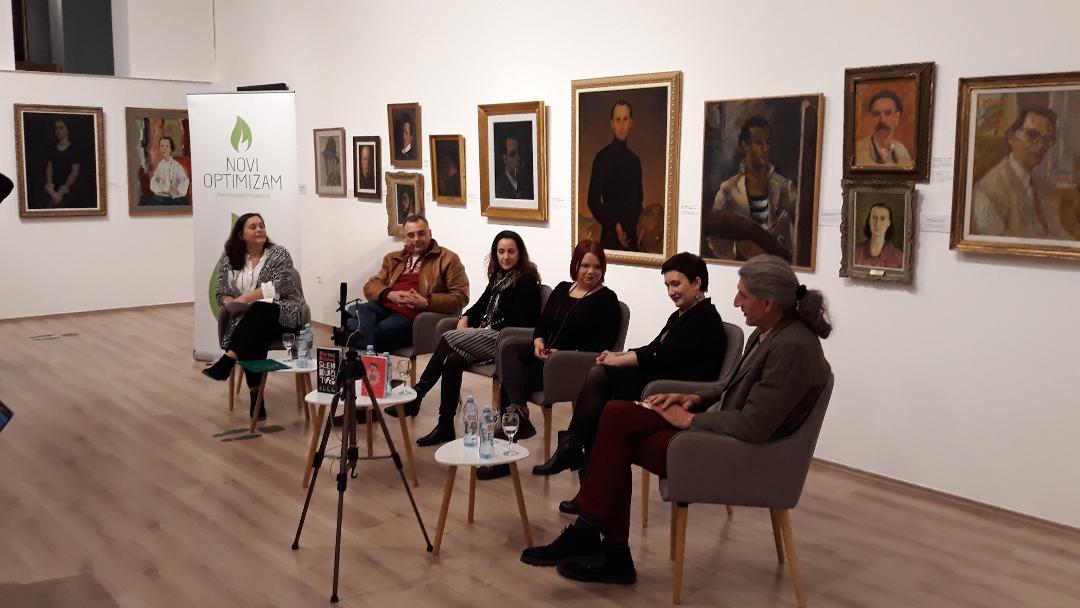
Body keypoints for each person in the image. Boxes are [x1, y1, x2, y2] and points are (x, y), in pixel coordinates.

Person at [520, 254, 832, 585]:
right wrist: (692, 398)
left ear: (768, 302)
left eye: (743, 295)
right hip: (721, 430)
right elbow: (729, 388)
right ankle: (599, 541)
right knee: (614, 416)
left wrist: (690, 420)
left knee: (615, 434)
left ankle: (602, 544)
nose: (735, 302)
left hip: (741, 453)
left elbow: (754, 425)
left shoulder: (792, 347)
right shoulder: (768, 332)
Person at [533, 252, 726, 483]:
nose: (671, 291)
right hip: (660, 379)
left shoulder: (704, 318)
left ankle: (574, 452)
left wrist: (622, 360)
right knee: (598, 402)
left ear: (696, 283)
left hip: (673, 389)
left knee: (600, 380)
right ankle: (578, 459)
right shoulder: (683, 314)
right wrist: (620, 355)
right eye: (667, 286)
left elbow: (664, 355)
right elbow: (655, 347)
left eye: (676, 284)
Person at [477, 240, 622, 480]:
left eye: (597, 267)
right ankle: (517, 415)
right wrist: (538, 341)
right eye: (585, 265)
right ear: (575, 265)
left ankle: (509, 442)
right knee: (509, 348)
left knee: (510, 385)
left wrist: (564, 355)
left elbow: (602, 345)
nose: (590, 271)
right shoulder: (563, 289)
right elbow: (542, 324)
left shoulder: (607, 300)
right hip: (545, 356)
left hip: (569, 367)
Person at [388, 230, 541, 448]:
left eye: (511, 252)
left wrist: (480, 330)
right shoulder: (499, 277)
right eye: (501, 252)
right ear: (495, 254)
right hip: (488, 335)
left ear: (520, 253)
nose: (506, 257)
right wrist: (466, 317)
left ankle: (418, 394)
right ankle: (445, 426)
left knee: (448, 337)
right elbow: (480, 306)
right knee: (452, 360)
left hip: (507, 341)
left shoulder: (526, 280)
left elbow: (521, 320)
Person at [202, 214, 305, 420]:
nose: (259, 229)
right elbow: (221, 291)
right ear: (241, 234)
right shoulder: (230, 258)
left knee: (259, 310)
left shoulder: (279, 254)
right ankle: (257, 399)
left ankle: (229, 360)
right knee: (254, 332)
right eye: (253, 227)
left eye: (261, 226)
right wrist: (229, 302)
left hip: (282, 314)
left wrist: (246, 298)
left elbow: (283, 285)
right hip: (247, 321)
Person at [346, 214, 469, 354]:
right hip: (385, 306)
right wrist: (390, 294)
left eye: (421, 233)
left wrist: (427, 302)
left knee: (377, 331)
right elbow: (371, 286)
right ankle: (364, 356)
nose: (416, 239)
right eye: (411, 235)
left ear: (430, 233)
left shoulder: (447, 259)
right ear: (404, 237)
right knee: (354, 311)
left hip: (413, 316)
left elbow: (461, 296)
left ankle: (360, 359)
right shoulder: (393, 258)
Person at [706, 116, 796, 262]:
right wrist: (738, 249)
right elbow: (713, 237)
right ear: (744, 145)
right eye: (758, 143)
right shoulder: (728, 189)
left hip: (776, 266)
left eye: (768, 142)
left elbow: (799, 234)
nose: (765, 149)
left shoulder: (785, 187)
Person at [972, 108, 1069, 239]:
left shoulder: (1042, 187)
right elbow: (997, 245)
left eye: (1047, 139)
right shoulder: (988, 190)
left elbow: (1058, 233)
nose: (1042, 145)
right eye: (1032, 135)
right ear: (1011, 137)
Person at [586, 100, 643, 251]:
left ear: (631, 123)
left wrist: (641, 227)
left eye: (625, 119)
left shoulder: (635, 160)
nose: (622, 125)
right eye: (618, 120)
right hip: (610, 237)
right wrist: (614, 225)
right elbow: (592, 201)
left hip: (633, 237)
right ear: (612, 124)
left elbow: (638, 202)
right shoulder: (602, 158)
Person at [854, 90, 913, 168]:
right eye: (876, 114)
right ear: (871, 118)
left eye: (887, 113)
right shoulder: (858, 151)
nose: (882, 120)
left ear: (897, 117)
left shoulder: (902, 151)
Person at [42, 119, 82, 208]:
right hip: (54, 186)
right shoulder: (52, 147)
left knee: (60, 203)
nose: (58, 131)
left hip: (68, 186)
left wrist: (63, 190)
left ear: (68, 130)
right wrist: (50, 186)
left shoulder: (74, 148)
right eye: (56, 128)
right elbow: (49, 167)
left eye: (61, 128)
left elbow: (75, 172)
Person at [854, 202, 904, 269]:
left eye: (882, 219)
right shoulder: (856, 252)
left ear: (888, 223)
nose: (877, 223)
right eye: (874, 218)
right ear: (869, 221)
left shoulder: (899, 257)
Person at [148, 136, 190, 206]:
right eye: (162, 146)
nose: (164, 148)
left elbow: (184, 180)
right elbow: (156, 180)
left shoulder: (176, 166)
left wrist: (177, 190)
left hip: (173, 198)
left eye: (167, 146)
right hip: (162, 196)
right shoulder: (161, 164)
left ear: (171, 149)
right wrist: (164, 188)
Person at [495, 134, 526, 199]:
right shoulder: (499, 189)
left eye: (519, 152)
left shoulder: (525, 182)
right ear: (505, 159)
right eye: (512, 154)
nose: (518, 158)